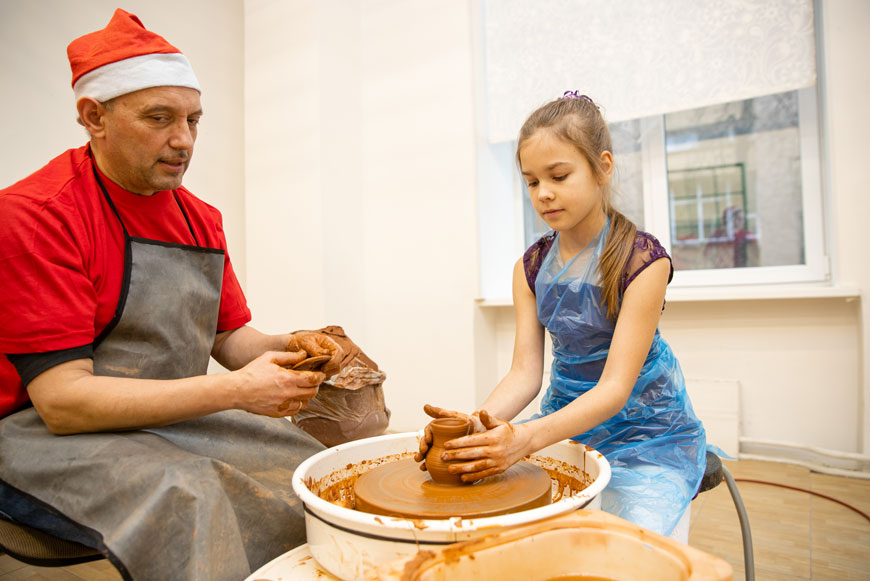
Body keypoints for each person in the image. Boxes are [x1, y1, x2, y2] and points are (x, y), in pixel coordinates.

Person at [0, 9, 340, 580]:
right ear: (93, 116)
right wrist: (236, 391)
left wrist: (298, 346)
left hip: (165, 419)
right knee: (195, 498)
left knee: (313, 472)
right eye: (158, 118)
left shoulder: (198, 218)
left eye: (193, 120)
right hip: (37, 433)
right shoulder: (35, 216)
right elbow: (62, 402)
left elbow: (230, 338)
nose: (183, 140)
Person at [416, 91, 707, 541]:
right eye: (532, 182)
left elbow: (613, 389)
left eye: (558, 175)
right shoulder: (529, 268)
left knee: (629, 553)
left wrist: (526, 438)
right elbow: (524, 373)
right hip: (564, 428)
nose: (544, 193)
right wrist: (475, 428)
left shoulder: (642, 261)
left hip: (647, 437)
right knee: (527, 540)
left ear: (602, 167)